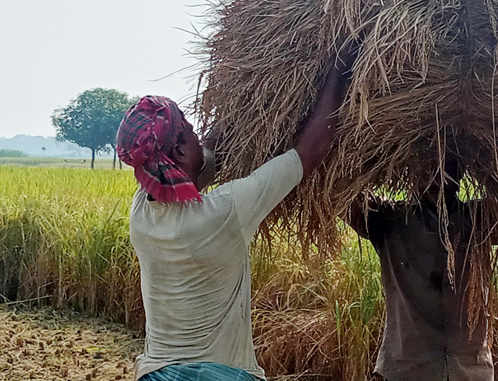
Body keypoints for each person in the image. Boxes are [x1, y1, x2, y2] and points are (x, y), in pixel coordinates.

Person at [116, 56, 352, 381]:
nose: (198, 135)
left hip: (157, 373)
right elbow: (310, 150)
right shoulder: (225, 213)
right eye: (189, 130)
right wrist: (339, 67)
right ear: (181, 153)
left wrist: (246, 100)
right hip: (221, 375)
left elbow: (203, 159)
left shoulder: (141, 212)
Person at [345, 157, 494, 381]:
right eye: (426, 168)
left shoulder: (480, 219)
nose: (436, 177)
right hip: (407, 369)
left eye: (446, 168)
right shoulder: (387, 218)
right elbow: (338, 192)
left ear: (461, 173)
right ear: (410, 174)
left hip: (470, 369)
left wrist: (489, 169)